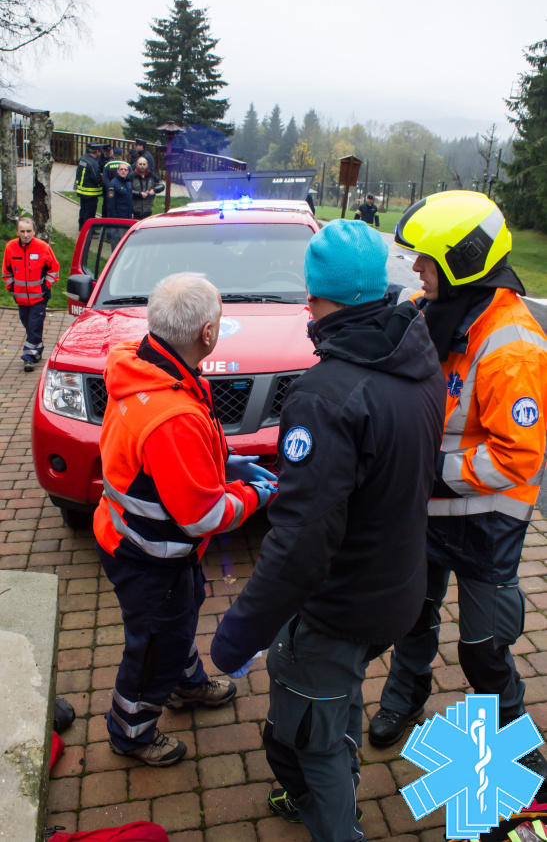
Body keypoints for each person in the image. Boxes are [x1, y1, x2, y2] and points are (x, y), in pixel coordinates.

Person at [210, 220, 445, 842]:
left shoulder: (324, 395)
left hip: (340, 606)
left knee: (302, 741)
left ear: (318, 297)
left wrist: (239, 634)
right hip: (397, 588)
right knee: (335, 698)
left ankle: (336, 823)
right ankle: (340, 778)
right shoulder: (416, 356)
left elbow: (299, 546)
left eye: (310, 296)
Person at [368, 191, 547, 785]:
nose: (416, 269)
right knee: (411, 615)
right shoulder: (429, 309)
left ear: (464, 263)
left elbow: (517, 456)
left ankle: (515, 740)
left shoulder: (513, 347)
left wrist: (423, 468)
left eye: (427, 260)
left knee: (484, 648)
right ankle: (405, 694)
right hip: (427, 511)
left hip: (487, 522)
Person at [93, 272, 278, 767]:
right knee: (154, 649)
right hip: (150, 556)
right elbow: (204, 514)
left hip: (145, 544)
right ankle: (131, 732)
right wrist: (255, 494)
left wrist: (224, 461)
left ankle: (185, 682)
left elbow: (171, 462)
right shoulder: (173, 413)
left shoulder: (144, 364)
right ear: (208, 333)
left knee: (179, 617)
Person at [2, 216, 59, 371]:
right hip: (20, 299)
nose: (26, 234)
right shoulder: (10, 247)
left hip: (39, 298)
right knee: (29, 325)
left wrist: (45, 286)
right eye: (22, 231)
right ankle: (37, 349)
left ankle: (28, 357)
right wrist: (11, 287)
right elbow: (6, 270)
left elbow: (54, 269)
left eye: (28, 231)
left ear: (34, 231)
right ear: (17, 232)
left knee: (34, 326)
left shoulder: (43, 247)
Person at [75, 142, 103, 229]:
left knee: (83, 209)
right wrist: (102, 177)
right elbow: (96, 178)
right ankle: (88, 230)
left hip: (82, 190)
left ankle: (81, 226)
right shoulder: (93, 163)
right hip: (90, 192)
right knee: (90, 212)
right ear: (97, 151)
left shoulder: (83, 158)